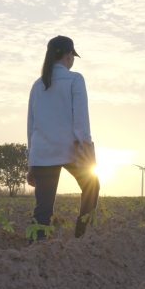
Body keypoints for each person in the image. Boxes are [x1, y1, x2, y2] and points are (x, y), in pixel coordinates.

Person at [26, 35, 100, 240]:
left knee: (43, 210)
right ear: (68, 56)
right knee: (92, 186)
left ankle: (34, 251)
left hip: (41, 152)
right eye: (72, 55)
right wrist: (88, 152)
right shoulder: (75, 79)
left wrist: (30, 162)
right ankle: (81, 236)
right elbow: (81, 122)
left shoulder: (37, 85)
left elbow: (31, 126)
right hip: (70, 150)